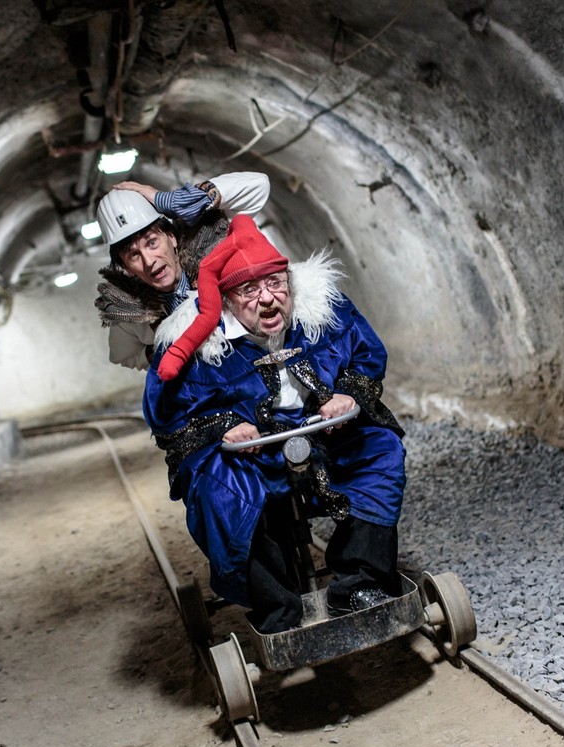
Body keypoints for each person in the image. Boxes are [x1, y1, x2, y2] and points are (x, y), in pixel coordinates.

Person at [143, 215, 406, 634]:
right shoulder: (193, 343)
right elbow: (166, 413)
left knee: (379, 449)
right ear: (226, 299)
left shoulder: (326, 310)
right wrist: (223, 425)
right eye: (249, 290)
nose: (267, 299)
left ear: (289, 282)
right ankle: (278, 609)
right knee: (220, 491)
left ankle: (362, 582)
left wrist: (348, 394)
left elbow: (366, 354)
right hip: (249, 455)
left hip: (325, 435)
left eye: (275, 284)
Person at [94, 172, 269, 370]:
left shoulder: (213, 248)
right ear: (127, 268)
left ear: (171, 238)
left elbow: (259, 185)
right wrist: (160, 351)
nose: (149, 261)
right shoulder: (129, 312)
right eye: (134, 255)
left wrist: (168, 201)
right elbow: (124, 356)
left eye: (152, 243)